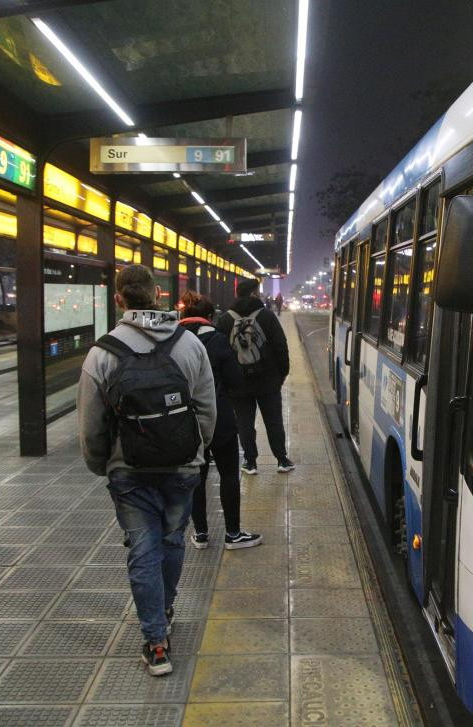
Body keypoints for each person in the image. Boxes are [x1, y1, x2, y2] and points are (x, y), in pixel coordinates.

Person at [77, 265, 216, 677]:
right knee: (172, 541)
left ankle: (156, 642)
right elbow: (207, 409)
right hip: (182, 468)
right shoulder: (190, 345)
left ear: (119, 299)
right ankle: (165, 607)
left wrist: (101, 463)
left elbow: (90, 425)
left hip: (129, 473)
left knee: (142, 550)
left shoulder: (102, 352)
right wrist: (197, 450)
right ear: (157, 294)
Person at [177, 290, 262, 550]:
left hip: (186, 420)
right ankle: (233, 534)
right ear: (210, 316)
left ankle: (201, 533)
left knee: (197, 477)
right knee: (228, 474)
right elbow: (236, 380)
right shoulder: (217, 340)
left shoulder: (172, 340)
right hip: (219, 418)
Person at [217, 277, 294, 474]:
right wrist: (282, 373)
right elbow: (281, 346)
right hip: (268, 380)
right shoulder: (267, 316)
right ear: (253, 293)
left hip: (238, 382)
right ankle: (282, 460)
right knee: (274, 420)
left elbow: (221, 352)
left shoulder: (226, 319)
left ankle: (250, 462)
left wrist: (226, 380)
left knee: (244, 423)